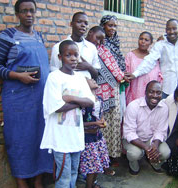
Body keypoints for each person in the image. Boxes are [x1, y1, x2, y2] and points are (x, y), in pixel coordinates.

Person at [0, 0, 53, 187]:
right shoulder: (8, 36)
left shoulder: (39, 37)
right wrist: (18, 76)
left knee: (40, 136)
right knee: (19, 138)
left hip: (40, 98)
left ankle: (38, 179)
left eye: (32, 11)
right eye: (24, 11)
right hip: (18, 98)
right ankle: (21, 180)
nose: (28, 15)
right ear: (17, 14)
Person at [40, 40, 94, 188]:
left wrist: (70, 98)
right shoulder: (54, 77)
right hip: (60, 137)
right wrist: (80, 103)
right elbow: (56, 106)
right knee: (63, 176)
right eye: (68, 55)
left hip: (75, 136)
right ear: (59, 57)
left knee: (73, 173)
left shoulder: (79, 78)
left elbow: (90, 101)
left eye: (76, 55)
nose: (73, 58)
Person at [86, 26, 125, 174]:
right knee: (97, 127)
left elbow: (117, 71)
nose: (100, 42)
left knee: (111, 126)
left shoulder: (104, 50)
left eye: (102, 40)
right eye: (98, 38)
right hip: (94, 93)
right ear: (90, 34)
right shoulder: (84, 50)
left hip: (111, 93)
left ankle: (109, 158)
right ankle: (95, 164)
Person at [125, 19, 178, 98]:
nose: (172, 31)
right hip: (166, 88)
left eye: (174, 28)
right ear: (165, 30)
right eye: (169, 29)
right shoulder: (160, 45)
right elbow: (150, 60)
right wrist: (135, 74)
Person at [123, 81, 170, 175]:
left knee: (165, 153)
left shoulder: (164, 108)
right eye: (151, 92)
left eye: (158, 92)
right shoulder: (133, 106)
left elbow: (160, 131)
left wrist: (154, 147)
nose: (155, 95)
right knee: (134, 154)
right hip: (134, 139)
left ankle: (154, 162)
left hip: (151, 139)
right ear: (145, 92)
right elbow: (129, 133)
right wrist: (147, 148)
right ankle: (133, 165)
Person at [99, 15, 127, 161]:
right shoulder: (99, 44)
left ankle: (113, 154)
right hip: (102, 89)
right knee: (103, 122)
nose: (112, 29)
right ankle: (103, 157)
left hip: (116, 87)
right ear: (103, 26)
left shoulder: (115, 44)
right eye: (110, 25)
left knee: (116, 119)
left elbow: (119, 66)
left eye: (115, 26)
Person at [50, 12, 100, 79]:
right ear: (71, 24)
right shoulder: (58, 47)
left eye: (86, 23)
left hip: (87, 88)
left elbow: (97, 75)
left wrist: (89, 67)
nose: (83, 25)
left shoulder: (92, 48)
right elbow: (54, 73)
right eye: (79, 22)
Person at [79, 78, 110, 188]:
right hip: (88, 138)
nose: (93, 79)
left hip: (97, 136)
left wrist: (102, 121)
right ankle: (89, 185)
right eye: (89, 79)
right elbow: (78, 123)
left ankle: (92, 184)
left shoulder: (99, 99)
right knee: (92, 166)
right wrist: (95, 123)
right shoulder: (83, 102)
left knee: (99, 162)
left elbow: (101, 115)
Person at [125, 31, 162, 105]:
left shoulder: (153, 58)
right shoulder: (130, 56)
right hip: (134, 96)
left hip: (150, 97)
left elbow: (159, 77)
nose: (143, 42)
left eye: (146, 40)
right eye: (141, 39)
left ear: (151, 43)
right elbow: (126, 75)